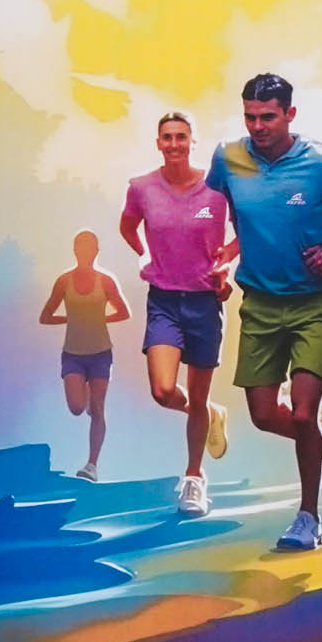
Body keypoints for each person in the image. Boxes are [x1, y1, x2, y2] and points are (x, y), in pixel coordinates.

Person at [210, 74, 322, 552]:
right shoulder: (228, 158)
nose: (258, 126)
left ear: (290, 114)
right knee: (264, 415)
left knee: (304, 413)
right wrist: (222, 259)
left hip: (313, 306)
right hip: (259, 306)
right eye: (250, 117)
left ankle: (309, 517)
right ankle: (321, 443)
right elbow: (213, 212)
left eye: (268, 116)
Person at [119, 111, 236, 519]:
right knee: (163, 390)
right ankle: (207, 414)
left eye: (181, 137)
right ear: (158, 143)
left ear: (192, 142)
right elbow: (127, 226)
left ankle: (194, 478)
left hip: (205, 302)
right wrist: (144, 254)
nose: (174, 144)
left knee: (197, 396)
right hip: (164, 301)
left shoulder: (216, 189)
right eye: (167, 137)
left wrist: (226, 261)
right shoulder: (141, 188)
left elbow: (245, 230)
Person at [38, 232, 131, 481]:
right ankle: (86, 395)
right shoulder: (64, 282)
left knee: (98, 409)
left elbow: (124, 312)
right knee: (77, 408)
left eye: (89, 247)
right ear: (75, 250)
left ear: (96, 251)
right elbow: (45, 317)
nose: (85, 252)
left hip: (101, 352)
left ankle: (92, 465)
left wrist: (99, 318)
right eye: (81, 247)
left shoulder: (106, 281)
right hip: (73, 354)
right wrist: (71, 319)